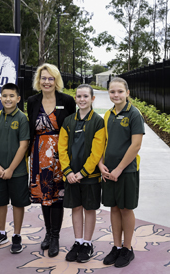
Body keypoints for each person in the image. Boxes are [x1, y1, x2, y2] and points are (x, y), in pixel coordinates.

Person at [27, 63, 76, 258]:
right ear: (38, 81)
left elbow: (73, 127)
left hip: (59, 155)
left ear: (56, 81)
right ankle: (47, 233)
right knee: (43, 197)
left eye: (50, 78)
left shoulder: (67, 100)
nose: (46, 82)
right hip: (38, 155)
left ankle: (55, 236)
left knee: (57, 197)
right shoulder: (32, 101)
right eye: (43, 78)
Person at [99, 77, 144, 268]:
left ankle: (127, 249)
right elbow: (105, 143)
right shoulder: (108, 115)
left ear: (127, 93)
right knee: (114, 208)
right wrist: (101, 164)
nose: (116, 95)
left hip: (126, 171)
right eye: (112, 92)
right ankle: (116, 247)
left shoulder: (134, 114)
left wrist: (119, 169)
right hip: (109, 171)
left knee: (126, 209)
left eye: (119, 91)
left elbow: (136, 145)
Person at [58, 84, 105, 263]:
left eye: (86, 96)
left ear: (92, 99)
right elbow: (61, 148)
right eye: (79, 96)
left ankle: (87, 243)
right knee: (76, 208)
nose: (82, 99)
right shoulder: (68, 121)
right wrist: (68, 171)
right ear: (75, 99)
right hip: (70, 176)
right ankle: (77, 241)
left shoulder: (98, 122)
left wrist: (83, 172)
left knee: (89, 208)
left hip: (90, 176)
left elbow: (97, 152)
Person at [0, 83, 30, 254]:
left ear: (18, 99)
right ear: (0, 97)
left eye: (11, 96)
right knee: (0, 202)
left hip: (17, 172)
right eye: (4, 96)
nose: (8, 99)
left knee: (18, 203)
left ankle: (17, 235)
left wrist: (11, 169)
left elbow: (23, 145)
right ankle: (1, 232)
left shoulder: (22, 118)